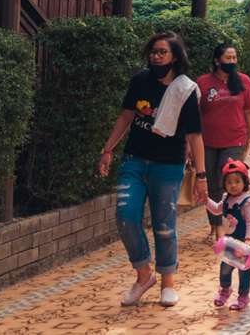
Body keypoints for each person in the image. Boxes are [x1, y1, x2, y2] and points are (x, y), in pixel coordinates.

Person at [98, 32, 206, 307]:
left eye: (162, 52)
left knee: (164, 226)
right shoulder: (140, 81)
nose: (156, 56)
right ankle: (143, 274)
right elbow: (126, 116)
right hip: (134, 160)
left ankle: (168, 283)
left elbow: (194, 136)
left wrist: (202, 177)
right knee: (126, 216)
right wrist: (108, 149)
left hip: (168, 166)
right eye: (153, 52)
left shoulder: (185, 89)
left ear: (175, 57)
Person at [197, 43, 250, 242]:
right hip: (206, 141)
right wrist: (189, 147)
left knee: (227, 181)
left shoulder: (243, 81)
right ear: (217, 60)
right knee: (212, 185)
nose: (232, 62)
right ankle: (215, 225)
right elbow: (195, 116)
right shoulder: (202, 83)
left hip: (235, 139)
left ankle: (225, 228)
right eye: (228, 58)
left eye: (234, 58)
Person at [207, 159, 250, 311]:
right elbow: (217, 209)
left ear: (245, 182)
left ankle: (243, 295)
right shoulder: (226, 199)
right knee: (225, 268)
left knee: (244, 271)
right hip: (231, 242)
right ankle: (225, 290)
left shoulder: (248, 202)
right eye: (229, 182)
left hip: (245, 243)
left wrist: (249, 240)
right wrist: (206, 201)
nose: (233, 185)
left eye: (237, 181)